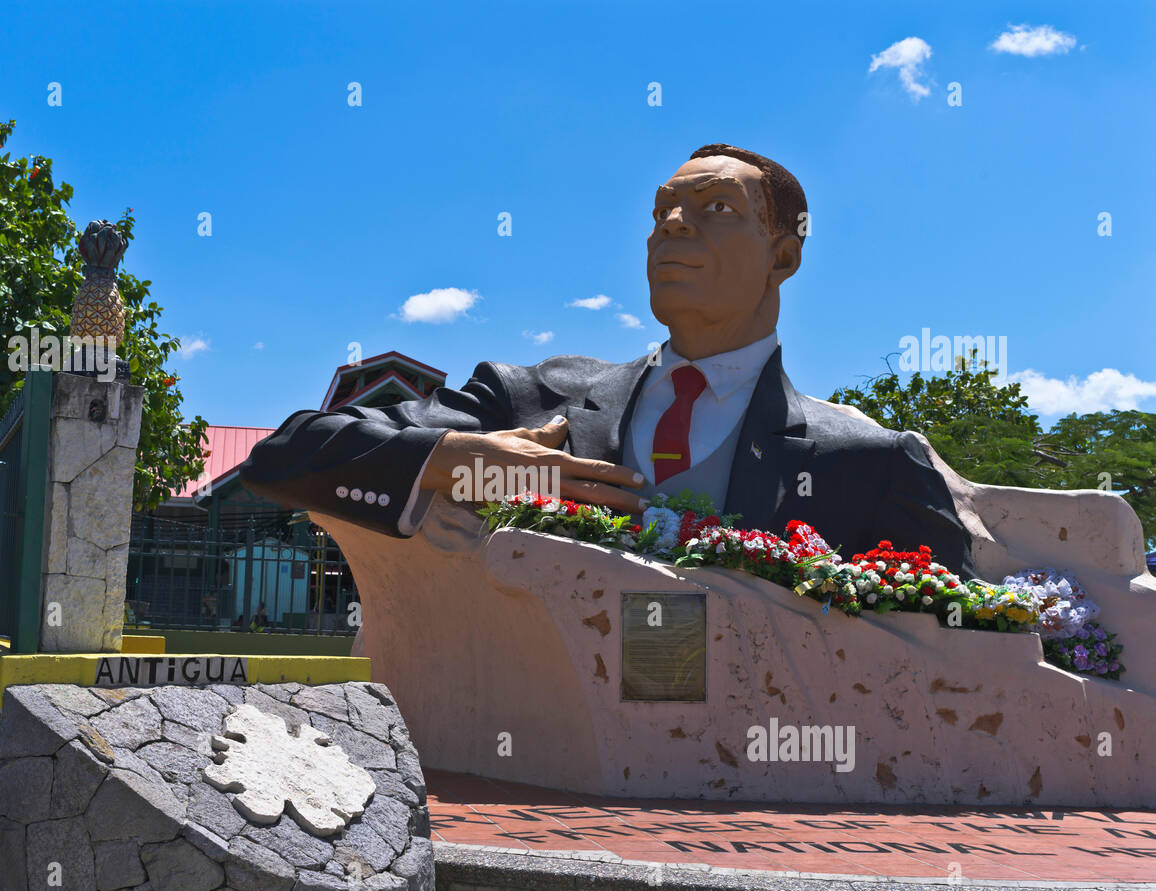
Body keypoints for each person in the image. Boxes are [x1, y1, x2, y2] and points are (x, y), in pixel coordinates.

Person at [239, 142, 973, 574]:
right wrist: (454, 460)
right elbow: (283, 456)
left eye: (714, 209)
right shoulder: (528, 399)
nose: (671, 226)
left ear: (784, 255)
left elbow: (961, 667)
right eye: (661, 212)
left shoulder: (870, 464)